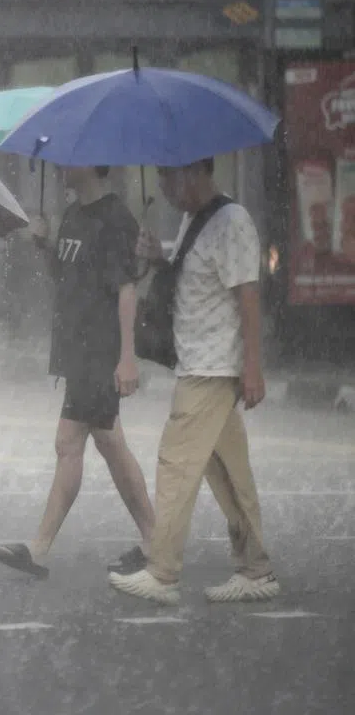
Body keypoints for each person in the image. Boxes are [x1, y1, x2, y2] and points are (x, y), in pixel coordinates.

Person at [110, 158, 278, 605]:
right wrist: (160, 258)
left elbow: (248, 296)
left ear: (196, 172)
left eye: (168, 175)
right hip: (198, 361)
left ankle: (162, 573)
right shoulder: (193, 220)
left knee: (175, 465)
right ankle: (256, 569)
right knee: (227, 473)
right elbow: (193, 281)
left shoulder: (232, 221)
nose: (163, 186)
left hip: (212, 367)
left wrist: (253, 367)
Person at [0, 165, 155, 579]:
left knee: (75, 443)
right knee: (106, 443)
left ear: (92, 164)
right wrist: (45, 246)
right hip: (77, 350)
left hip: (99, 349)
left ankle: (41, 548)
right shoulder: (74, 216)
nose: (61, 168)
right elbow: (65, 279)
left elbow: (126, 287)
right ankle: (156, 541)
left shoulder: (114, 218)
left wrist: (127, 356)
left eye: (69, 161)